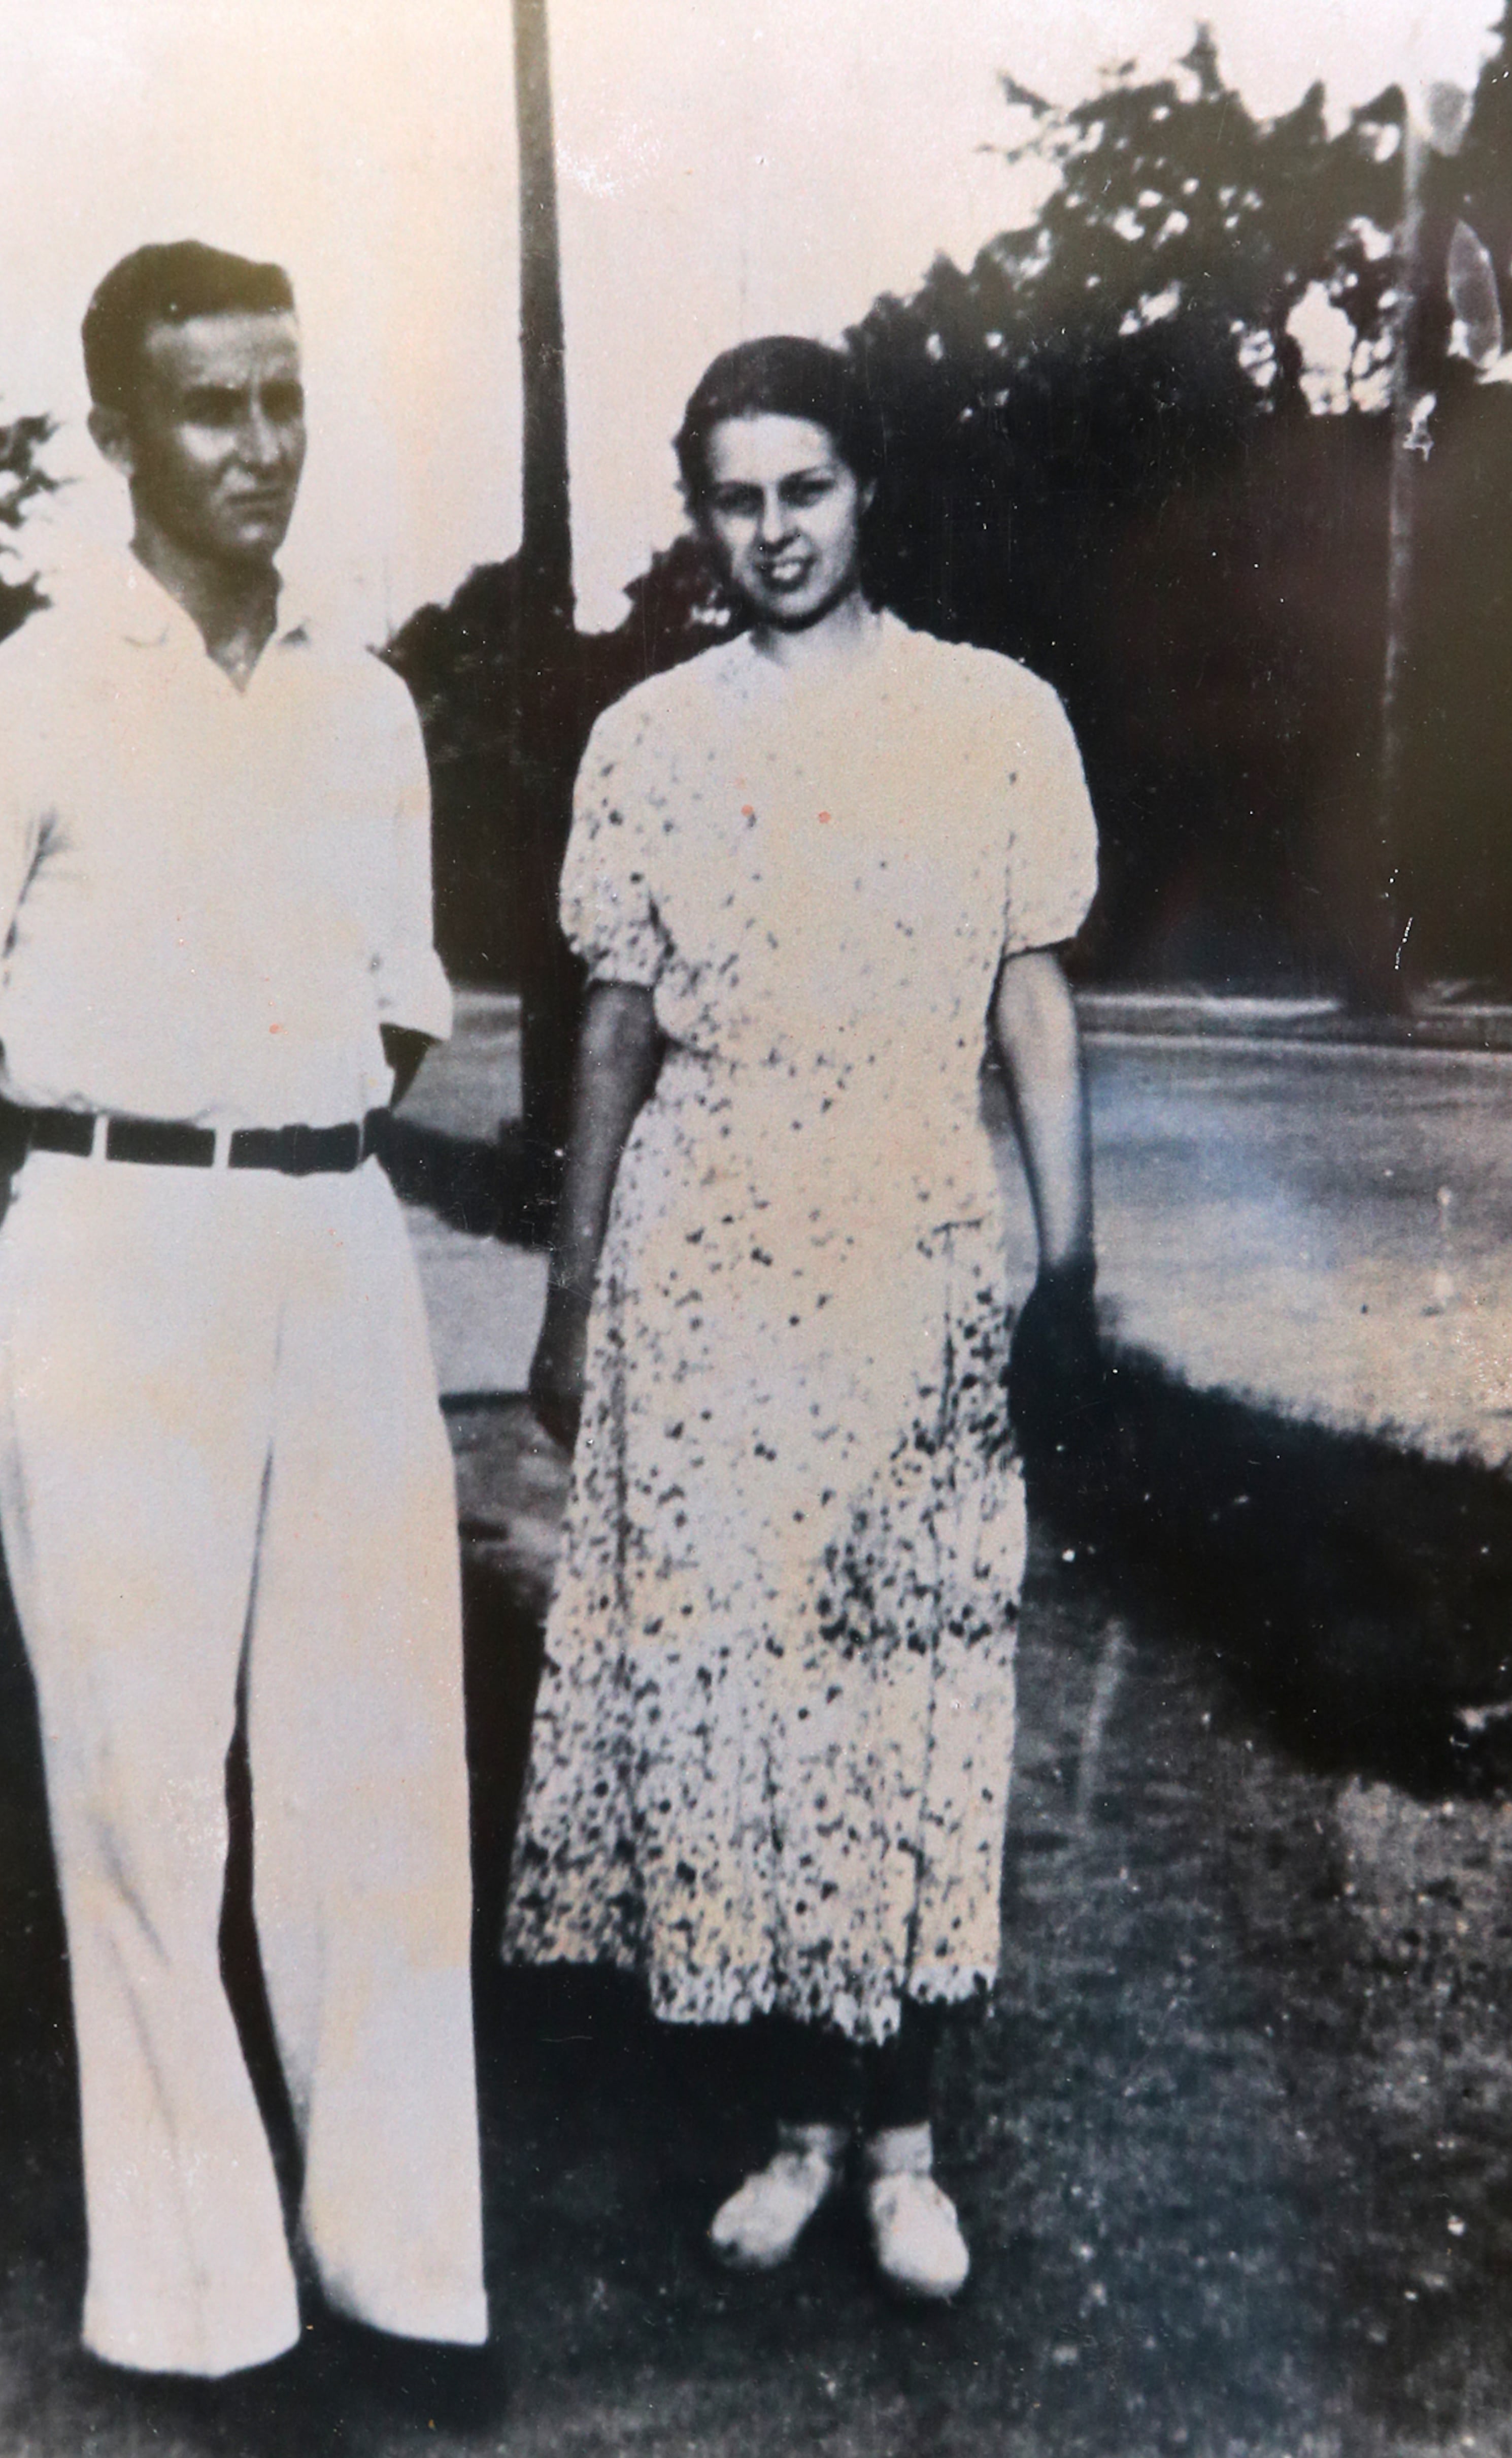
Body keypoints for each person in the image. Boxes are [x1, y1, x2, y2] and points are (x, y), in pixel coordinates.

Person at [0, 242, 489, 2388]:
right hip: (112, 1246)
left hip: (335, 1246)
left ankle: (406, 2276)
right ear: (116, 429)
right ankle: (207, 2313)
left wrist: (282, 1146)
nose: (262, 446)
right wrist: (135, 1178)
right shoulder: (11, 708)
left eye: (287, 399)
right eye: (213, 407)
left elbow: (401, 1012)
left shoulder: (364, 700)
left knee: (379, 1766)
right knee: (145, 1789)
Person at [503, 336, 1100, 2304]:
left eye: (805, 492)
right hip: (706, 1259)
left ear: (868, 493)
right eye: (735, 500)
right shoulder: (653, 744)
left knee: (908, 1676)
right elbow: (613, 1031)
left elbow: (1028, 1002)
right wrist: (575, 1306)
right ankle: (794, 2128)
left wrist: (1068, 1271)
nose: (772, 534)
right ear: (704, 518)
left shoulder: (992, 718)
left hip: (910, 1244)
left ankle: (909, 2142)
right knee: (748, 1696)